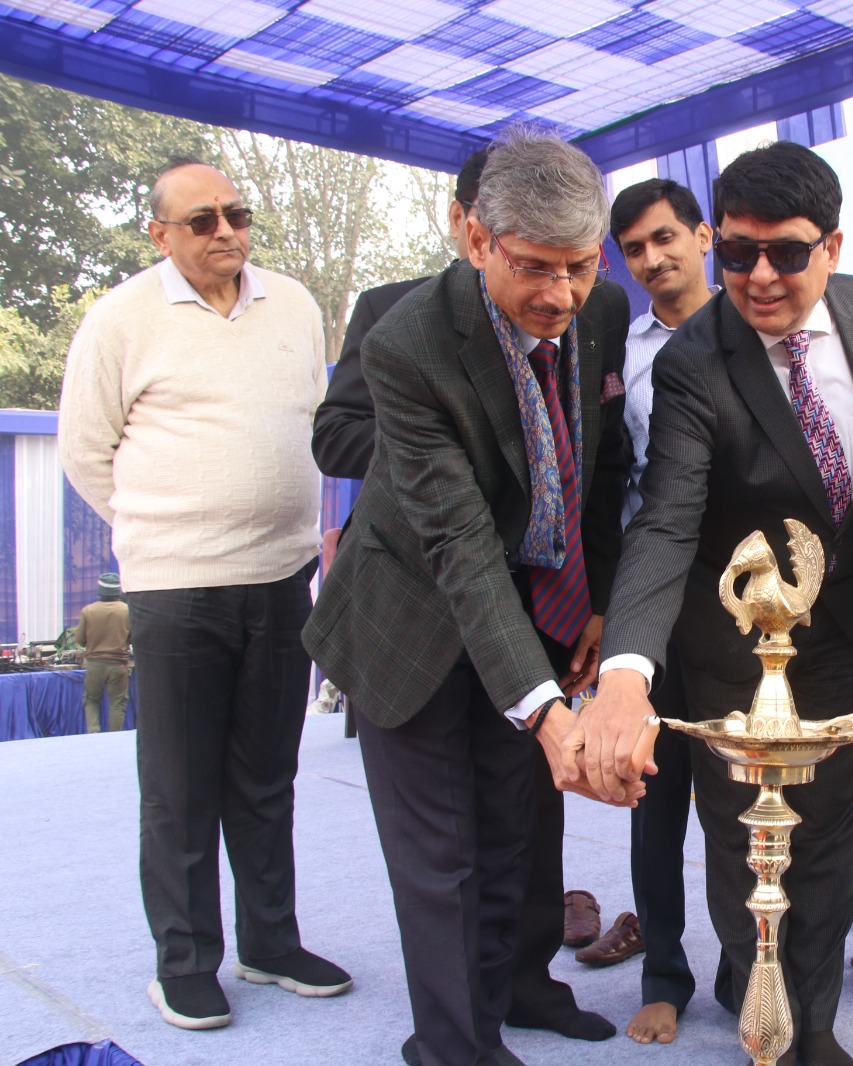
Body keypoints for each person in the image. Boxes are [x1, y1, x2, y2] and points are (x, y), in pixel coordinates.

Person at [566, 141, 853, 1066]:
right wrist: (626, 673)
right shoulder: (694, 360)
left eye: (786, 253)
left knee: (827, 834)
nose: (759, 277)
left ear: (833, 246)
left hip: (847, 626)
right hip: (734, 637)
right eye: (739, 252)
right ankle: (767, 1024)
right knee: (748, 839)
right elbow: (666, 520)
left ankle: (813, 1026)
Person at [303, 130, 634, 1066]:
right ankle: (454, 1046)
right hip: (408, 618)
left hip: (527, 609)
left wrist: (595, 601)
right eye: (534, 267)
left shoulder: (602, 310)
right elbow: (456, 541)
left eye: (579, 266)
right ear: (477, 238)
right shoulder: (407, 342)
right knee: (440, 853)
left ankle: (510, 995)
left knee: (513, 831)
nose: (559, 295)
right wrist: (546, 711)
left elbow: (598, 464)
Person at [58, 157, 349, 1031]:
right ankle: (184, 962)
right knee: (179, 788)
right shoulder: (120, 319)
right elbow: (85, 452)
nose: (226, 230)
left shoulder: (293, 304)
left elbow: (310, 423)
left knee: (267, 777)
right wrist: (164, 530)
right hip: (176, 588)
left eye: (236, 213)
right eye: (201, 220)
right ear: (160, 235)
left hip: (282, 579)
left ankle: (270, 943)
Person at [600, 177, 718, 1046]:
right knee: (656, 793)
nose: (652, 259)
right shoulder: (616, 348)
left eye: (666, 237)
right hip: (651, 596)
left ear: (704, 237)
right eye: (635, 248)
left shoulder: (756, 328)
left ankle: (755, 964)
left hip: (748, 603)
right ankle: (664, 976)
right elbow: (608, 478)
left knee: (747, 794)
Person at [74, 572, 131, 733]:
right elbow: (134, 637)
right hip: (119, 664)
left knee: (91, 700)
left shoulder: (88, 611)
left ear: (100, 590)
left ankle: (94, 734)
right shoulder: (127, 610)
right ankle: (114, 738)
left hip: (94, 664)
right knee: (117, 703)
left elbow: (79, 639)